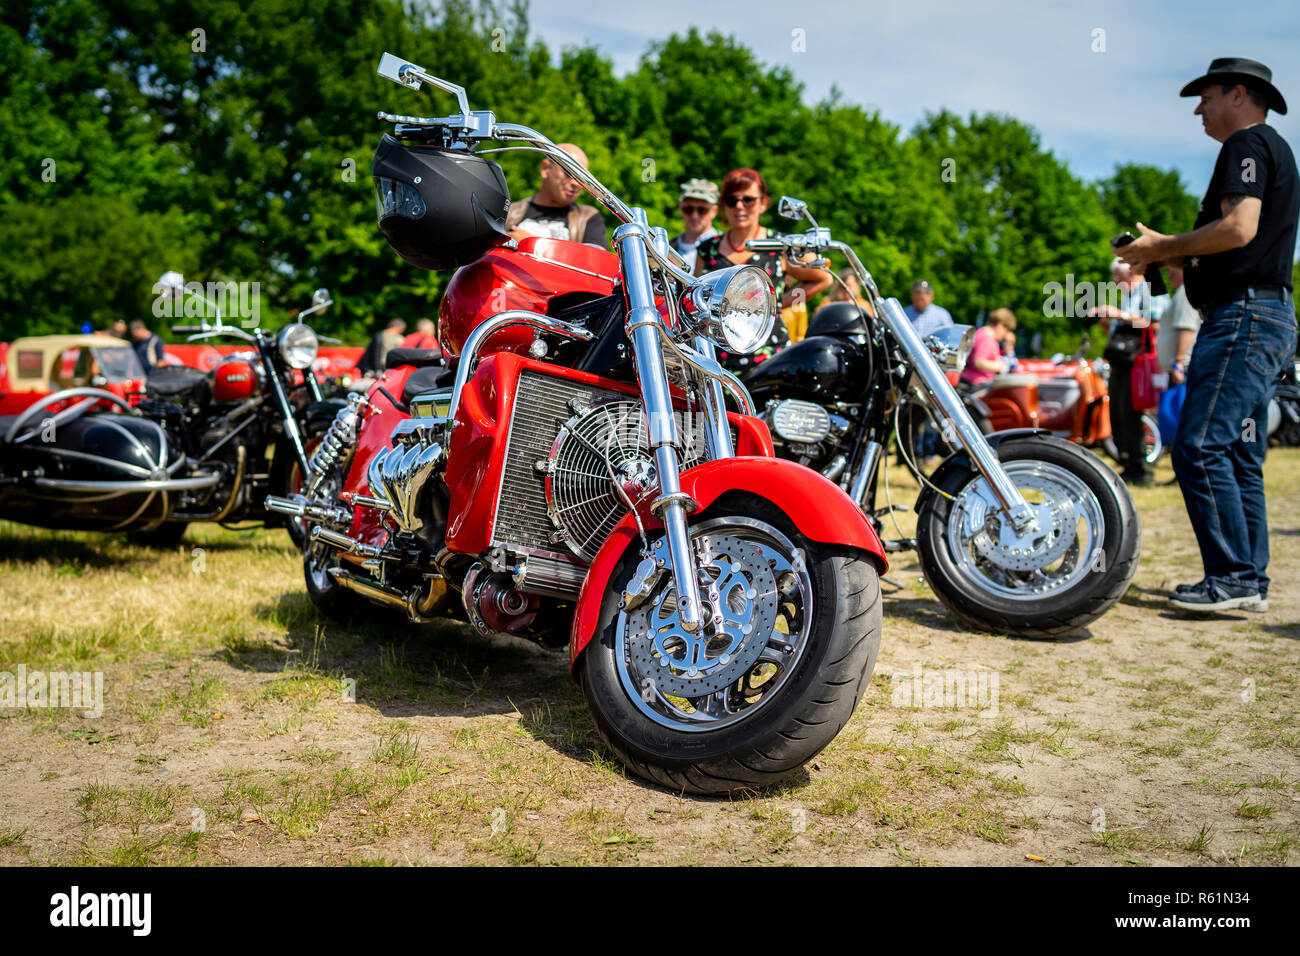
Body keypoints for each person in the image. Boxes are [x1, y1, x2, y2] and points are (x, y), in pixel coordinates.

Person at [1115, 57, 1298, 613]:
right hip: (1264, 315)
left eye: (1206, 96)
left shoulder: (1246, 145)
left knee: (1198, 445)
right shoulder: (1272, 147)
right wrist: (1170, 250)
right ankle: (1247, 581)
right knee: (1239, 451)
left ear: (1238, 94)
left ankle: (1234, 579)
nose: (1199, 108)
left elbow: (1239, 228)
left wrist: (1160, 248)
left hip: (1243, 317)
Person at [693, 168, 831, 369]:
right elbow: (695, 299)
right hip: (716, 361)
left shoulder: (779, 244)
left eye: (748, 199)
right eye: (732, 200)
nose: (740, 206)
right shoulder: (707, 249)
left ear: (763, 203)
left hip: (769, 358)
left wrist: (778, 304)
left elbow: (823, 278)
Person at [1091, 258, 1159, 485]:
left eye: (1116, 277)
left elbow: (1153, 324)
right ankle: (1128, 465)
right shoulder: (1129, 296)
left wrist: (1120, 315)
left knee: (1131, 415)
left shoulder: (1149, 291)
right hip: (1120, 362)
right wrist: (1104, 321)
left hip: (1136, 364)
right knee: (1118, 416)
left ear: (1130, 273)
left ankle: (1141, 470)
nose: (1114, 281)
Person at [504, 143, 607, 249]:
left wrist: (532, 243)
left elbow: (596, 261)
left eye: (582, 178)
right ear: (546, 168)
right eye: (569, 173)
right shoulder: (508, 213)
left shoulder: (588, 217)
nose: (576, 183)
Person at [1156, 265, 1200, 385]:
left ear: (1183, 271)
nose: (1169, 277)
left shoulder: (1185, 292)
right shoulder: (1182, 291)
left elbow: (1186, 328)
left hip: (1183, 368)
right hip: (1180, 367)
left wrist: (1178, 362)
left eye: (1172, 271)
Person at [669, 179, 719, 273]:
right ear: (680, 209)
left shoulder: (724, 249)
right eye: (688, 209)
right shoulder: (666, 249)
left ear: (714, 211)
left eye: (702, 210)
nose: (694, 216)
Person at [960, 308, 1017, 389]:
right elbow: (978, 362)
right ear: (1000, 325)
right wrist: (1000, 366)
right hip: (976, 384)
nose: (1005, 335)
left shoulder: (980, 332)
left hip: (969, 381)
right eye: (1007, 330)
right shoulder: (987, 339)